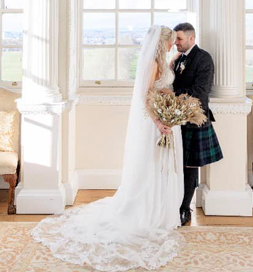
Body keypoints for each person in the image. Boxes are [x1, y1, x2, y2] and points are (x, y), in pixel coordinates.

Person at [31, 25, 185, 271]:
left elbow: (163, 87)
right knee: (152, 166)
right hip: (155, 124)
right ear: (162, 42)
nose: (172, 44)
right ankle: (147, 212)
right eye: (170, 41)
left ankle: (163, 212)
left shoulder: (164, 61)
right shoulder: (154, 65)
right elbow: (145, 97)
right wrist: (158, 121)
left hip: (167, 119)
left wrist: (171, 108)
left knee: (163, 167)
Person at [171, 22, 222, 226]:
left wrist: (171, 95)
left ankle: (185, 208)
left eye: (180, 39)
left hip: (195, 119)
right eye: (175, 39)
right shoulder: (178, 59)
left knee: (190, 165)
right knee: (176, 164)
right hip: (176, 119)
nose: (176, 42)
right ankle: (174, 204)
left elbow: (200, 92)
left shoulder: (204, 59)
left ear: (191, 39)